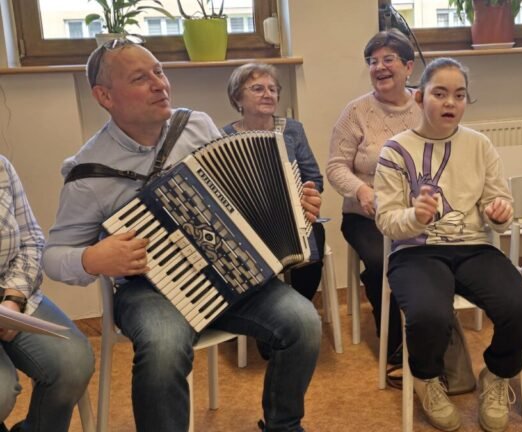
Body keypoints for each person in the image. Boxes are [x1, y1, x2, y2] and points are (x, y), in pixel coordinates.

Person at [42, 39, 321, 432]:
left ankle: (283, 425)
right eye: (141, 78)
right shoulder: (88, 173)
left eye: (159, 71)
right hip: (149, 289)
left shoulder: (195, 125)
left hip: (229, 270)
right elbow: (53, 254)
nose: (160, 84)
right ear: (104, 96)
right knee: (163, 348)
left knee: (303, 322)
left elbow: (240, 190)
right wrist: (92, 259)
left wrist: (296, 207)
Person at [375, 57, 522, 432]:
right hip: (415, 251)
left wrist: (499, 213)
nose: (450, 103)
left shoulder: (479, 145)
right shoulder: (395, 150)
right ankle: (427, 379)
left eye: (459, 95)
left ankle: (496, 376)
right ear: (419, 98)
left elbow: (498, 209)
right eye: (440, 94)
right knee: (428, 316)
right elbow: (386, 221)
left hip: (473, 247)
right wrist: (415, 216)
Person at [327, 29, 420, 362]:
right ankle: (395, 346)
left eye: (388, 59)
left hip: (416, 213)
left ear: (408, 67)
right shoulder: (356, 112)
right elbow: (336, 167)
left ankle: (431, 330)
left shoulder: (426, 104)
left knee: (435, 254)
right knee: (385, 260)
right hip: (366, 216)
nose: (379, 67)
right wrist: (361, 189)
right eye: (372, 61)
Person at [0, 157, 94, 432]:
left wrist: (14, 298)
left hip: (9, 291)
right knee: (1, 392)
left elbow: (31, 240)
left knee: (73, 364)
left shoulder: (3, 166)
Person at [222, 62, 325, 301]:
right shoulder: (223, 137)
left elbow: (314, 177)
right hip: (246, 222)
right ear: (237, 98)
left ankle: (300, 306)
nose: (268, 94)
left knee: (314, 237)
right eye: (257, 89)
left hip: (296, 216)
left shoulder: (293, 130)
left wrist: (309, 195)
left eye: (272, 89)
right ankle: (268, 315)